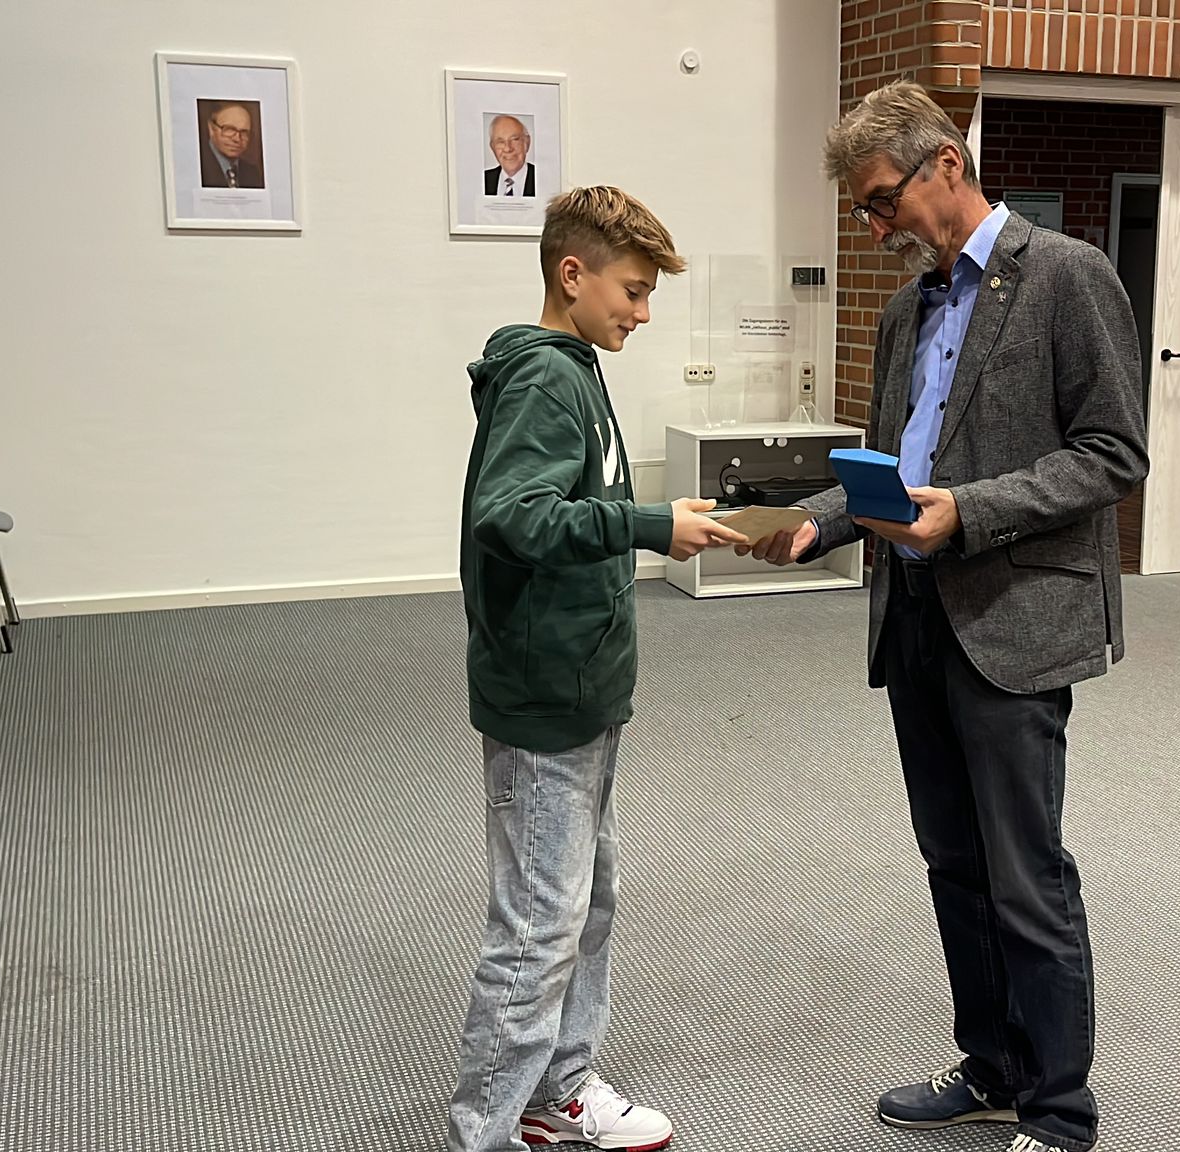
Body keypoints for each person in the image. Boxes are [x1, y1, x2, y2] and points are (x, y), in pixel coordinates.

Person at [745, 80, 1146, 1152]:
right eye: (864, 211)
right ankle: (994, 1069)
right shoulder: (904, 310)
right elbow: (890, 467)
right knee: (953, 864)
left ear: (947, 165)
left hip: (1014, 616)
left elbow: (1113, 454)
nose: (877, 227)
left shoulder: (1067, 277)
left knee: (1024, 874)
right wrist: (813, 522)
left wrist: (968, 511)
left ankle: (1059, 1113)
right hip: (914, 615)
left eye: (883, 201)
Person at [448, 185, 745, 1152]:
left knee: (582, 905)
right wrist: (653, 525)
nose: (643, 312)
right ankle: (485, 1131)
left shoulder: (573, 368)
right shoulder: (545, 377)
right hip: (545, 697)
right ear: (571, 275)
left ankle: (557, 1090)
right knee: (539, 928)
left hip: (581, 689)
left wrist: (652, 520)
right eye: (633, 290)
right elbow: (513, 515)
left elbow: (566, 505)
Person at [198, 102, 263, 189]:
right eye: (229, 129)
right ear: (211, 129)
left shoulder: (252, 173)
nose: (237, 139)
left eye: (244, 132)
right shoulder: (197, 166)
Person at [484, 114, 538, 197]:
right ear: (492, 147)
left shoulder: (542, 177)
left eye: (514, 139)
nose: (508, 149)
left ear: (527, 142)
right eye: (500, 142)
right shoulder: (483, 180)